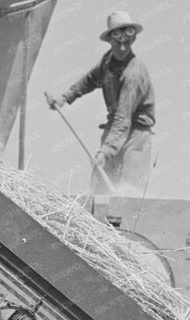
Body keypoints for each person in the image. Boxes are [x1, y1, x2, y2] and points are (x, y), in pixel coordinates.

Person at [45, 10, 156, 198]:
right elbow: (90, 80)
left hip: (135, 137)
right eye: (117, 42)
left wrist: (105, 151)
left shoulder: (133, 75)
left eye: (126, 42)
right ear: (110, 41)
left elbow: (123, 119)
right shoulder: (107, 62)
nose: (122, 48)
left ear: (133, 40)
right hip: (115, 128)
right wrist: (64, 98)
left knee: (127, 196)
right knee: (99, 189)